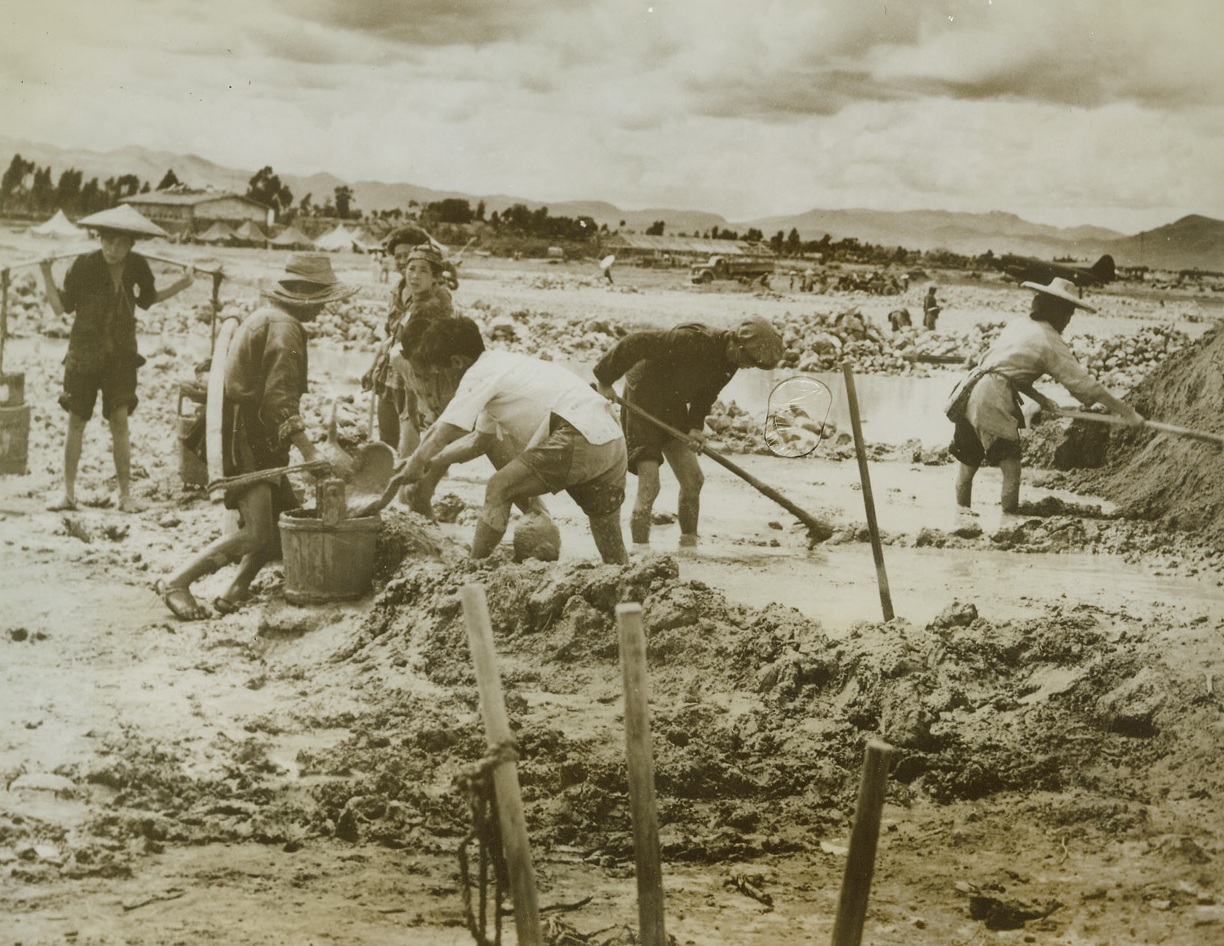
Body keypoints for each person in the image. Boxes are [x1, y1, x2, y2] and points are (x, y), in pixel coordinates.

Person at [156, 254, 357, 620]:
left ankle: (236, 590)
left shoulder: (267, 317)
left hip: (254, 434)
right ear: (304, 294)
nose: (325, 309)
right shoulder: (286, 327)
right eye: (323, 300)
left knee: (281, 518)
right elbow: (279, 400)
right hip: (247, 437)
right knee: (257, 532)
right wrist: (312, 456)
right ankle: (178, 582)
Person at [398, 315, 629, 564]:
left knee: (499, 487)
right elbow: (479, 441)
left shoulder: (477, 376)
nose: (444, 379)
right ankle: (633, 592)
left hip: (577, 431)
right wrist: (430, 461)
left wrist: (415, 463)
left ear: (456, 362)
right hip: (611, 439)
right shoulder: (503, 364)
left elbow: (444, 429)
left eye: (442, 372)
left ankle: (472, 568)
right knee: (612, 550)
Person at [38, 205, 196, 513]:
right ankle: (67, 494)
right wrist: (46, 272)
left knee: (120, 423)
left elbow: (149, 300)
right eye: (107, 241)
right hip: (83, 356)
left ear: (132, 244)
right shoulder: (83, 265)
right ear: (99, 239)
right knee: (76, 422)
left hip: (121, 358)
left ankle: (125, 496)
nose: (113, 248)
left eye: (121, 243)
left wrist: (183, 284)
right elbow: (60, 308)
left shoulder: (138, 267)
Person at [945, 276, 1143, 516]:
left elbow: (1003, 369)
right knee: (1011, 469)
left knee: (967, 464)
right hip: (991, 398)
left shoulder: (1018, 324)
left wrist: (1041, 399)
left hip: (971, 389)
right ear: (1058, 313)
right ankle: (1009, 524)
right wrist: (1128, 412)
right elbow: (1086, 387)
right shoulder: (1050, 340)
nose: (1068, 322)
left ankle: (961, 518)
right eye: (1068, 316)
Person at [592, 317, 784, 548]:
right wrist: (605, 380)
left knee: (693, 480)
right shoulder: (692, 340)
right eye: (749, 361)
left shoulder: (730, 363)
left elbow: (707, 395)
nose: (747, 366)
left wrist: (695, 427)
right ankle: (640, 553)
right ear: (737, 344)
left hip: (672, 404)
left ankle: (689, 544)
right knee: (650, 484)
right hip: (642, 397)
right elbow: (635, 342)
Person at [362, 233, 454, 453]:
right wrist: (373, 366)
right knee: (387, 435)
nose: (404, 263)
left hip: (415, 376)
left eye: (421, 268)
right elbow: (390, 335)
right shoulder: (398, 290)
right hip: (390, 372)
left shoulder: (437, 297)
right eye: (400, 257)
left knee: (413, 433)